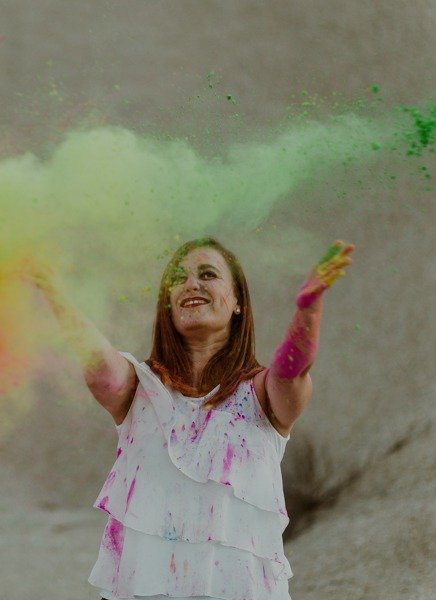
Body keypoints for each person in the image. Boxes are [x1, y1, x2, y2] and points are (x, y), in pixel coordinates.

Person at [35, 237, 353, 600]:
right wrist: (51, 289)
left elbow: (292, 371)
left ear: (237, 303)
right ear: (168, 306)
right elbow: (98, 368)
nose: (191, 284)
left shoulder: (263, 393)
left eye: (208, 274)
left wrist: (308, 309)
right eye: (179, 279)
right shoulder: (139, 387)